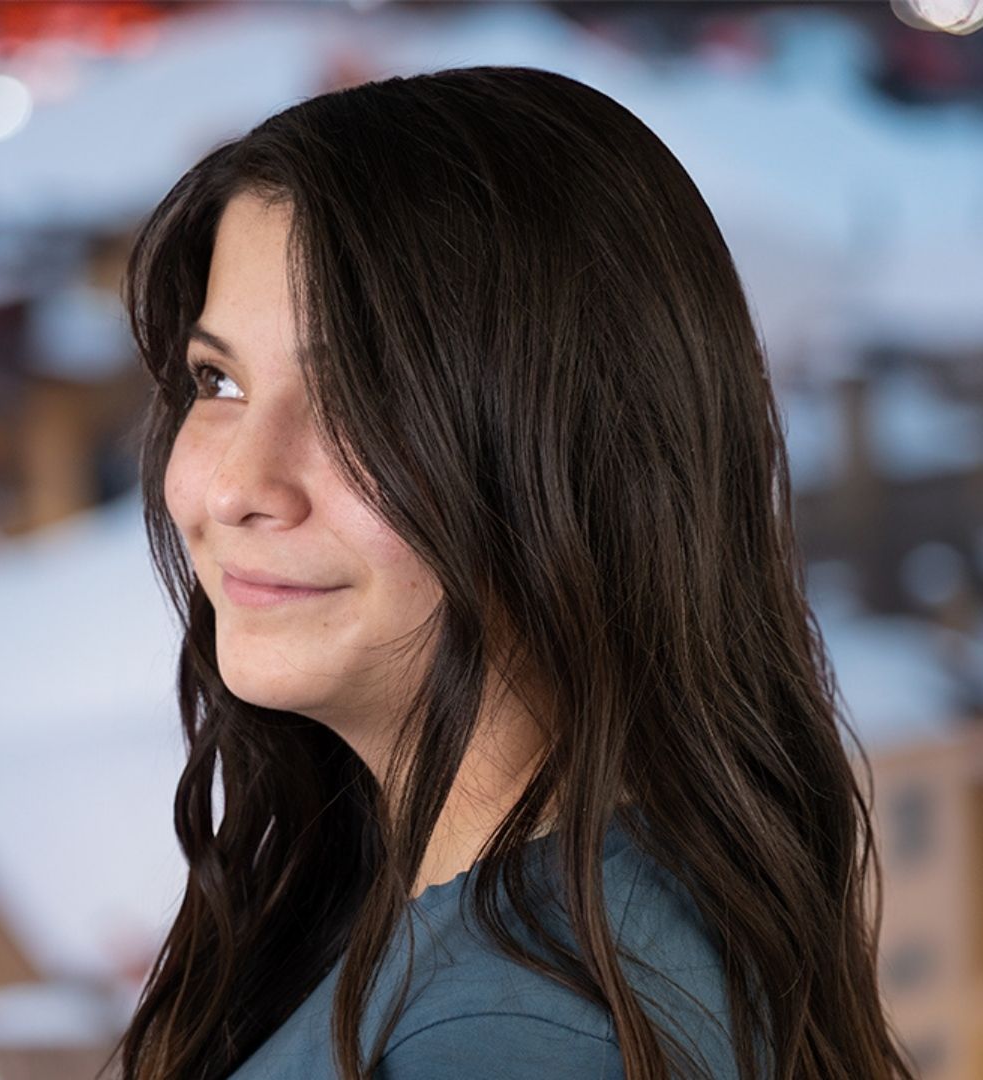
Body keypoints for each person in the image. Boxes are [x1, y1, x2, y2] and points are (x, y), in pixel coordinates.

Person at [99, 66, 916, 1080]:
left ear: (579, 452)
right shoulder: (541, 913)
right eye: (217, 380)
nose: (232, 489)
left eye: (361, 392)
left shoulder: (510, 1041)